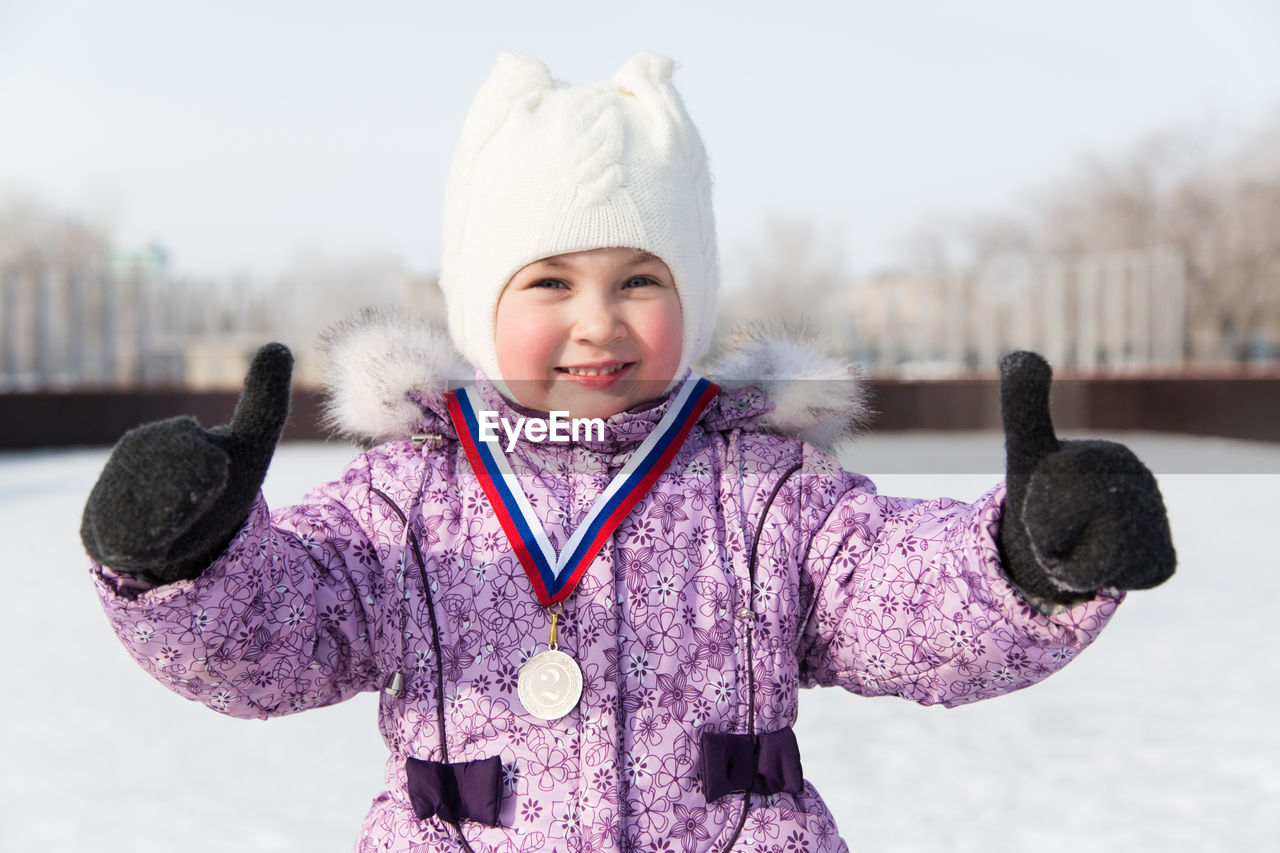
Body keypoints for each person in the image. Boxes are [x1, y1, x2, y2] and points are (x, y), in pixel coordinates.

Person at [81, 52, 1175, 853]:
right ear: (477, 303)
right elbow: (283, 634)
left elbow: (897, 598)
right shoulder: (412, 494)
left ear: (690, 301)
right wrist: (188, 564)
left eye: (638, 281)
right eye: (548, 283)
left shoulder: (759, 486)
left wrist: (1020, 563)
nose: (596, 321)